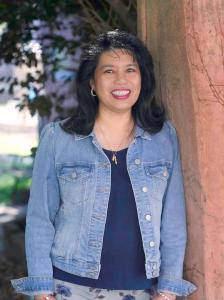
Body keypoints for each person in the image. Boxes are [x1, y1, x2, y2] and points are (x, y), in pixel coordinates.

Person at [11, 29, 197, 300]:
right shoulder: (58, 138)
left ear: (142, 78)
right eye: (109, 71)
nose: (121, 80)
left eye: (131, 70)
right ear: (92, 83)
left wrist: (168, 290)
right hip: (69, 287)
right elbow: (40, 218)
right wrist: (41, 291)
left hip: (144, 289)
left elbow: (173, 219)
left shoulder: (163, 137)